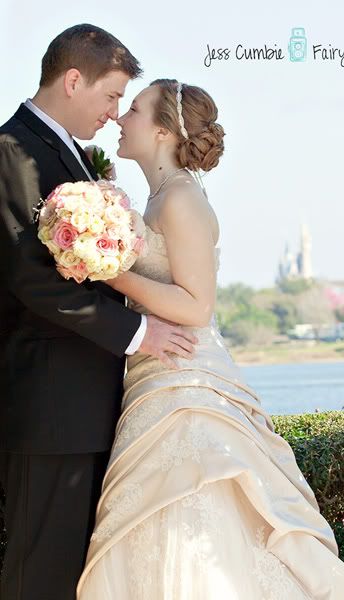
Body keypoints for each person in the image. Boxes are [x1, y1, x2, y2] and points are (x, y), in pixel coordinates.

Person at [76, 79, 344, 599]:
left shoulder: (180, 199)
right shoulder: (159, 197)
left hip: (188, 383)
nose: (119, 119)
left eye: (132, 109)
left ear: (160, 130)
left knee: (199, 515)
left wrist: (107, 272)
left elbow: (198, 306)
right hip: (154, 373)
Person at [0, 27, 197, 600]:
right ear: (72, 80)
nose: (115, 114)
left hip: (84, 401)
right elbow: (27, 276)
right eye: (111, 97)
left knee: (77, 575)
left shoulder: (69, 153)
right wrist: (137, 331)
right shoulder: (13, 151)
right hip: (48, 407)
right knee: (40, 574)